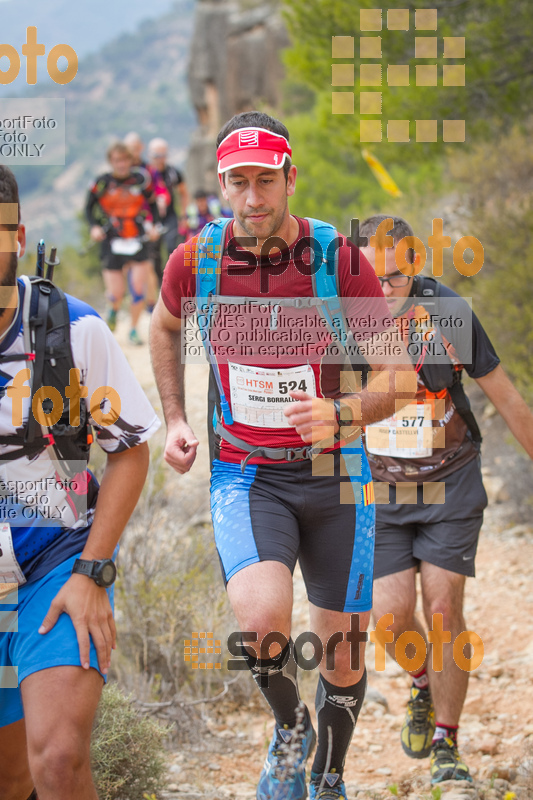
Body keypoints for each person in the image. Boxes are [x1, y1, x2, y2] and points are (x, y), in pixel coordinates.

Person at [150, 111, 415, 800]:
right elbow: (163, 323)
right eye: (237, 182)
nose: (252, 198)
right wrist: (175, 417)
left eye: (265, 181)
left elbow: (400, 377)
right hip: (246, 473)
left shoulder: (335, 259)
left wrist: (342, 412)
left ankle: (328, 775)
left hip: (334, 475)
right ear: (220, 184)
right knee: (260, 620)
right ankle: (289, 728)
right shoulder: (195, 260)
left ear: (289, 178)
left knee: (342, 651)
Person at [0, 164, 160, 800]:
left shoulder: (71, 331)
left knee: (59, 762)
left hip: (55, 563)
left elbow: (129, 452)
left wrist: (93, 573)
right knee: (9, 779)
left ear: (18, 237)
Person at [358, 215, 533, 785]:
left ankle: (446, 743)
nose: (383, 288)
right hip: (381, 489)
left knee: (442, 608)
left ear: (414, 267)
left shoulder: (447, 314)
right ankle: (421, 681)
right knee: (388, 620)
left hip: (450, 480)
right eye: (371, 276)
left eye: (395, 277)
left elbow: (505, 396)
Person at [85, 141, 161, 345]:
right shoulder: (102, 183)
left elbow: (153, 204)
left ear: (130, 160)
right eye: (117, 160)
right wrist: (94, 227)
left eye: (125, 160)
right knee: (116, 292)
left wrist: (153, 225)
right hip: (112, 240)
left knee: (138, 289)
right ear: (111, 161)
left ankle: (134, 329)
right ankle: (113, 309)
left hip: (137, 238)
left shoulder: (140, 180)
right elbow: (89, 207)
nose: (121, 164)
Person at [147, 137, 189, 284]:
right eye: (156, 155)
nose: (160, 159)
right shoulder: (146, 175)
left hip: (171, 216)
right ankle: (160, 284)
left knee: (173, 248)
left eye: (162, 155)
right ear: (150, 155)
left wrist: (184, 216)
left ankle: (173, 281)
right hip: (151, 218)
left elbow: (183, 193)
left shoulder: (173, 173)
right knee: (154, 253)